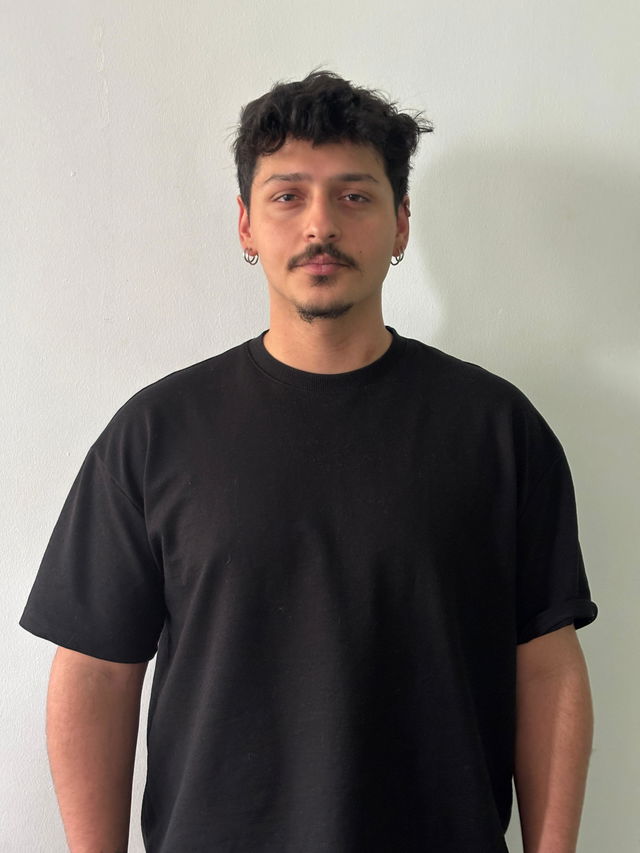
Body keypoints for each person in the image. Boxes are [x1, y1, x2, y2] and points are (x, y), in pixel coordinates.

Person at [21, 70, 597, 853]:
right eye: (288, 196)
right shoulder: (157, 434)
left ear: (400, 223)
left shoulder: (498, 430)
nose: (320, 223)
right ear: (246, 225)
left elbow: (546, 667)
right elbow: (96, 668)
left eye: (354, 195)